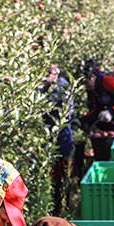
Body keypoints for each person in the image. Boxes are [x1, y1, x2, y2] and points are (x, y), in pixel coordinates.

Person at [41, 65, 75, 216]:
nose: (51, 76)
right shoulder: (39, 87)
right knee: (48, 175)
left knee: (62, 173)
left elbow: (68, 111)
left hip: (62, 137)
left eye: (53, 73)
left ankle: (63, 206)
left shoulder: (62, 85)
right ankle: (50, 207)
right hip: (45, 137)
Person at [81, 59, 114, 135]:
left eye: (85, 81)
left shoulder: (109, 82)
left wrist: (112, 111)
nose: (85, 85)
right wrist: (84, 121)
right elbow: (95, 109)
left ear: (92, 77)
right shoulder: (94, 89)